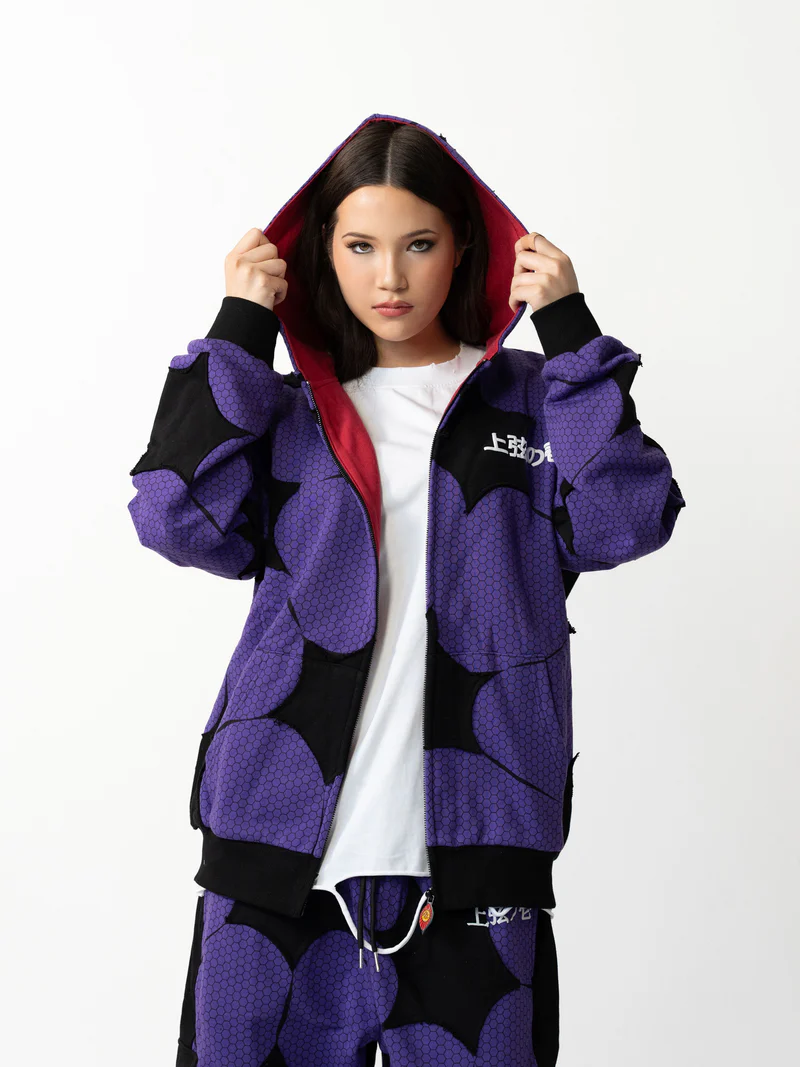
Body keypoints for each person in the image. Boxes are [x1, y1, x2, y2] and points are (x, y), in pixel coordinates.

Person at [128, 113, 686, 1067]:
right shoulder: (291, 407)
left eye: (418, 244)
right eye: (360, 246)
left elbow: (626, 517)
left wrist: (571, 330)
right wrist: (240, 330)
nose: (390, 277)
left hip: (477, 869)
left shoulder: (532, 402)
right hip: (274, 864)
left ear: (463, 246)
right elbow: (177, 516)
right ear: (322, 253)